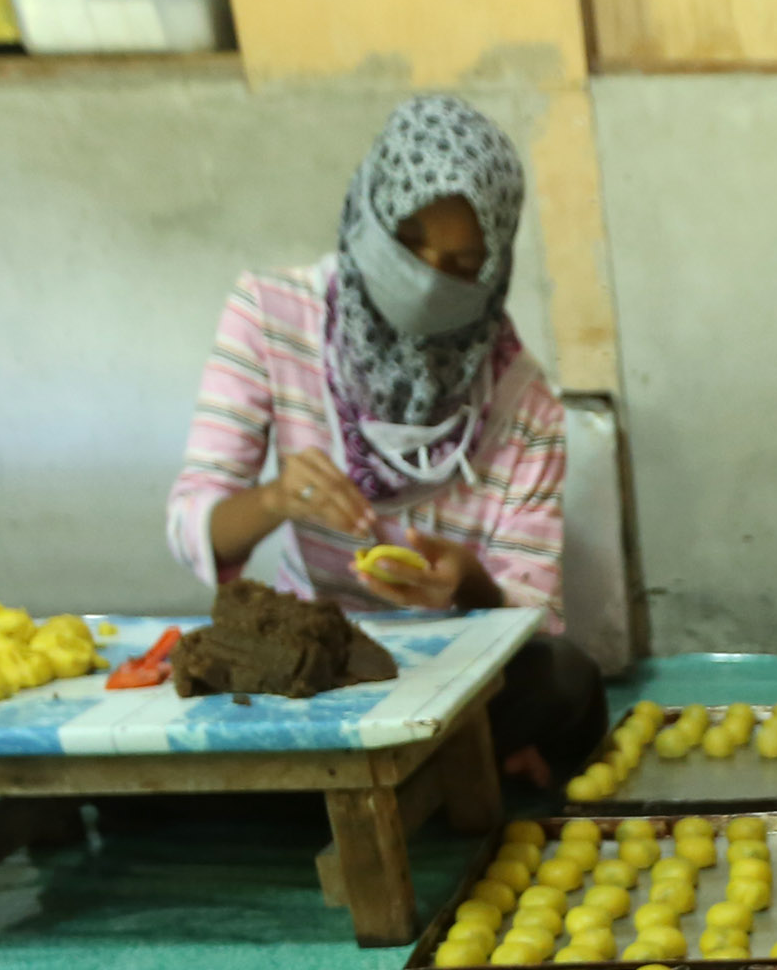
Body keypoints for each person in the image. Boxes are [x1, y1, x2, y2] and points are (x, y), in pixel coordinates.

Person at [166, 93, 601, 781]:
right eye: (408, 242)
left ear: (494, 272)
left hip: (452, 672)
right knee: (188, 714)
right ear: (368, 213)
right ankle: (424, 776)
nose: (426, 280)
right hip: (306, 665)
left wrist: (470, 583)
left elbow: (533, 612)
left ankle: (340, 784)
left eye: (461, 265)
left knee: (569, 684)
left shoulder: (524, 403)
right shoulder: (270, 318)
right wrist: (275, 499)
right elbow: (195, 524)